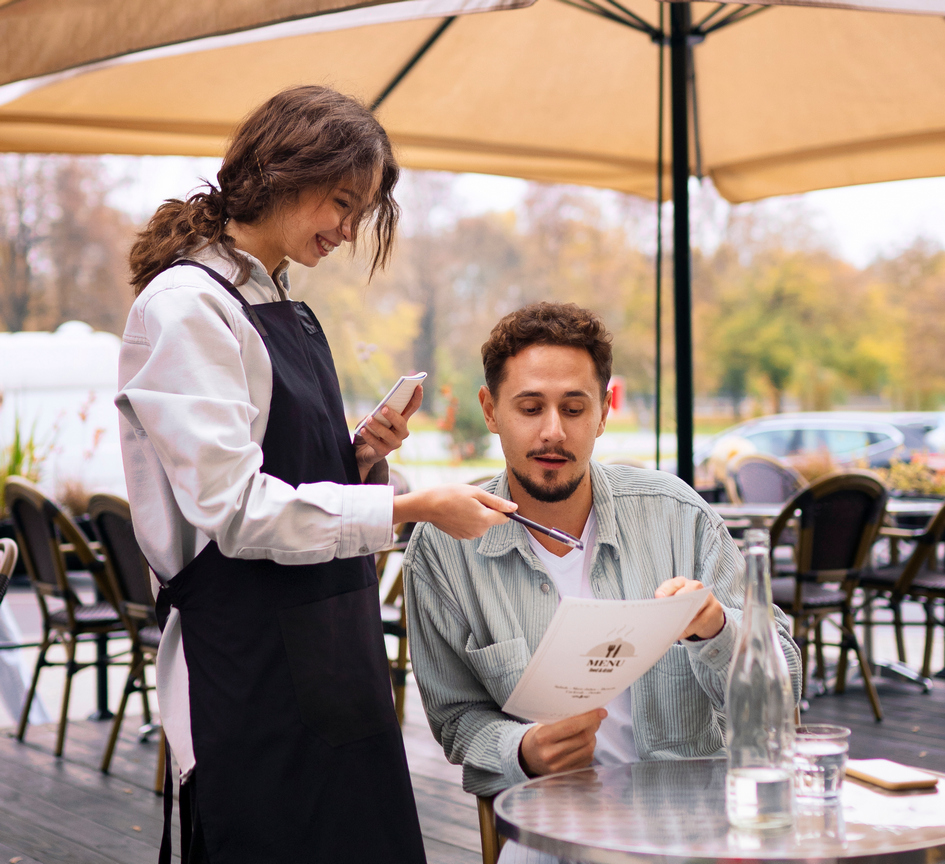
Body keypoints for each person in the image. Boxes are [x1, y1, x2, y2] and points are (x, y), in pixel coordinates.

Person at [116, 85, 515, 864]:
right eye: (342, 203)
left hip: (336, 659)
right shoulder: (187, 308)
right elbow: (235, 511)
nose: (348, 230)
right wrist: (412, 509)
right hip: (248, 671)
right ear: (281, 172)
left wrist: (358, 458)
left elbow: (285, 471)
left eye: (359, 212)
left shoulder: (283, 305)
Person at [404, 302, 802, 864]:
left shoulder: (677, 515)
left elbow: (786, 686)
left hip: (696, 824)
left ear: (604, 412)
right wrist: (522, 749)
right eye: (530, 408)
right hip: (552, 825)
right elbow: (455, 718)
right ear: (490, 411)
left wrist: (717, 628)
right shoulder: (443, 549)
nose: (553, 431)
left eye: (574, 408)